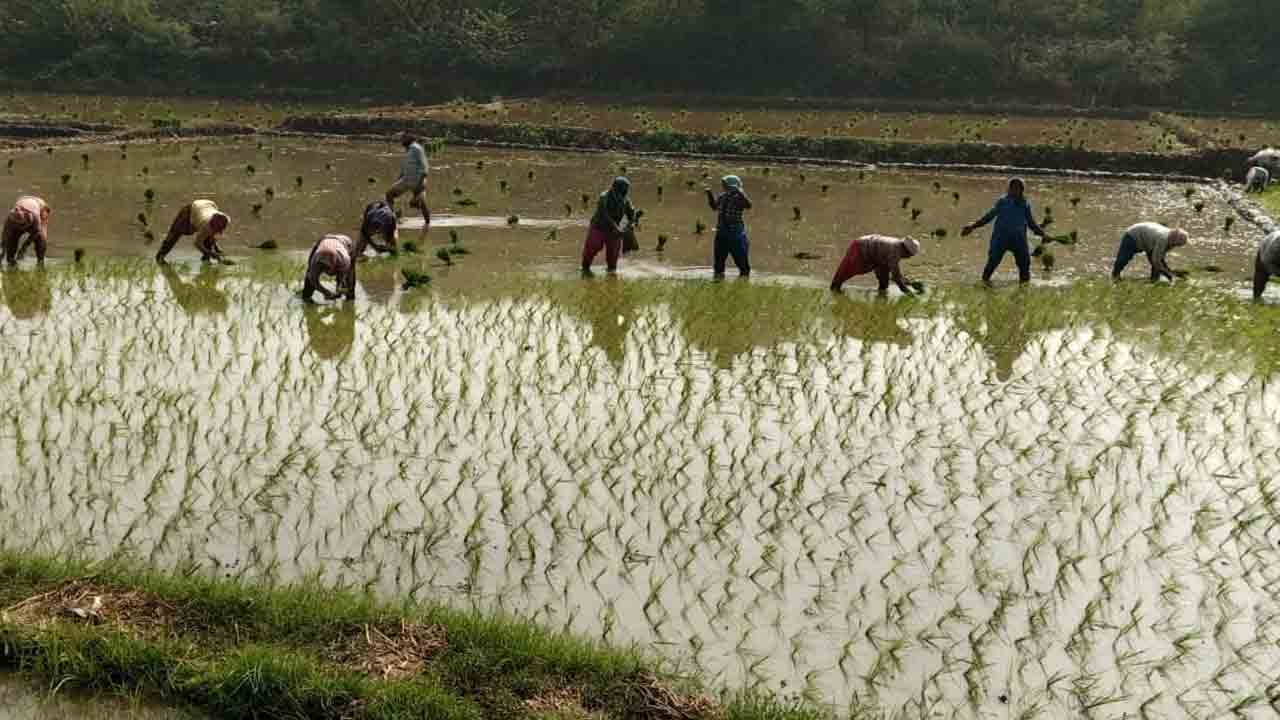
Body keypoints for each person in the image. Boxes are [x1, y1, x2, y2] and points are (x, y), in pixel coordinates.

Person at [961, 178, 1047, 286]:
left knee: (1025, 267)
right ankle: (983, 285)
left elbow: (1031, 223)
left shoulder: (1025, 204)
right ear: (1009, 189)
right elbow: (989, 216)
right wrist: (973, 226)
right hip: (1000, 239)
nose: (1015, 191)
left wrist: (1043, 234)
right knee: (992, 264)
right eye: (1013, 188)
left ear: (1022, 190)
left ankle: (1024, 290)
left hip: (1019, 240)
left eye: (1019, 188)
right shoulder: (1003, 202)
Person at [830, 235, 921, 295]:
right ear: (906, 250)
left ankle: (881, 294)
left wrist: (910, 283)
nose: (908, 257)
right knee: (846, 272)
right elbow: (896, 277)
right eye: (909, 255)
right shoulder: (895, 251)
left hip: (876, 255)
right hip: (860, 248)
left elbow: (895, 274)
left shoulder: (897, 247)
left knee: (884, 279)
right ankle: (835, 289)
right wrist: (910, 294)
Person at [582, 177, 637, 274]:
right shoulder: (604, 196)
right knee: (592, 248)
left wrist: (629, 227)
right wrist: (616, 227)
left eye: (626, 190)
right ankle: (585, 269)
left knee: (613, 255)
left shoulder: (626, 200)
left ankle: (611, 275)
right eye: (623, 190)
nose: (625, 192)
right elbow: (604, 213)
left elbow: (632, 215)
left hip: (614, 231)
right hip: (599, 227)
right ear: (615, 188)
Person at [156, 199, 231, 264]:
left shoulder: (225, 220)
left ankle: (206, 260)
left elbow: (213, 235)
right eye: (214, 229)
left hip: (209, 205)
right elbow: (197, 243)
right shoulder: (205, 225)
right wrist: (212, 254)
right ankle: (160, 257)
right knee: (174, 235)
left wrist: (216, 249)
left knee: (209, 242)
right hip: (192, 209)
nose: (216, 231)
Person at [706, 175, 752, 278]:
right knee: (718, 264)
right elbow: (714, 207)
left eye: (725, 184)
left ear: (732, 185)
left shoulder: (739, 197)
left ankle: (744, 282)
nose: (723, 186)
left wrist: (739, 191)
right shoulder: (723, 196)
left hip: (736, 234)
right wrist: (709, 194)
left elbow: (748, 205)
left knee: (742, 264)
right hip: (721, 233)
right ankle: (718, 283)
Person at [1111, 222, 1188, 282]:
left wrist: (1171, 273)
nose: (1175, 246)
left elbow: (1159, 260)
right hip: (1133, 235)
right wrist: (1170, 274)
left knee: (1158, 262)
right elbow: (1156, 262)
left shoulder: (1170, 238)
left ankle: (1154, 279)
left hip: (1148, 240)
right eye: (1176, 244)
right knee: (1124, 259)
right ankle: (1115, 276)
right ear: (1174, 239)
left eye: (1178, 245)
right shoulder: (1163, 239)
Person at [387, 132, 429, 227]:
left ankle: (391, 218)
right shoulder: (409, 150)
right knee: (390, 194)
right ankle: (427, 224)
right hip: (407, 180)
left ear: (410, 138)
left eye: (403, 138)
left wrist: (422, 182)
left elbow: (424, 166)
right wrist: (399, 179)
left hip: (415, 180)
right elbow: (405, 167)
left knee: (389, 195)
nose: (401, 140)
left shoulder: (417, 148)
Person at [303, 233, 357, 303]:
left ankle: (350, 299)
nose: (324, 269)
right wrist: (326, 292)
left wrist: (339, 288)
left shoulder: (344, 260)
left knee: (349, 278)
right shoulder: (315, 261)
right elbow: (313, 279)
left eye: (326, 267)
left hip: (346, 242)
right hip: (324, 239)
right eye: (322, 265)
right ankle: (306, 296)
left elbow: (342, 276)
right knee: (309, 273)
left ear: (334, 264)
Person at [3, 196, 50, 267]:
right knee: (12, 240)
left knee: (41, 239)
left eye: (23, 225)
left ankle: (40, 263)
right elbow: (5, 236)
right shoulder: (10, 219)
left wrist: (23, 248)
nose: (23, 228)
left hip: (40, 206)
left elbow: (36, 232)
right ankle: (11, 262)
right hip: (23, 201)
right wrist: (3, 251)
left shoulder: (35, 217)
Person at [1253, 229, 1280, 301]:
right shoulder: (1274, 247)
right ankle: (1256, 298)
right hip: (1265, 253)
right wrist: (1277, 273)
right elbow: (1267, 263)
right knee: (1261, 276)